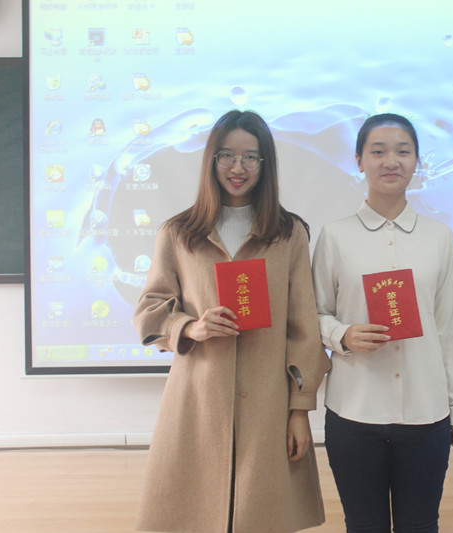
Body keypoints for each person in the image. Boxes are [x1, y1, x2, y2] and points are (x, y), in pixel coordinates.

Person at [133, 110, 331, 533]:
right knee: (192, 516)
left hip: (268, 404)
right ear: (211, 159)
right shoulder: (179, 232)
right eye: (226, 155)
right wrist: (190, 327)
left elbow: (303, 328)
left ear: (265, 163)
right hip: (197, 400)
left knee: (262, 517)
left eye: (250, 157)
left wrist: (300, 410)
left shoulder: (288, 233)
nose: (237, 168)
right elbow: (150, 308)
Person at [311, 113, 453, 532]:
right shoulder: (335, 235)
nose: (391, 161)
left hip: (426, 413)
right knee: (364, 525)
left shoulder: (439, 236)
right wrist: (342, 334)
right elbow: (313, 313)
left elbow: (449, 328)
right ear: (359, 160)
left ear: (417, 161)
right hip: (354, 411)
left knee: (421, 524)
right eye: (378, 151)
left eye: (403, 151)